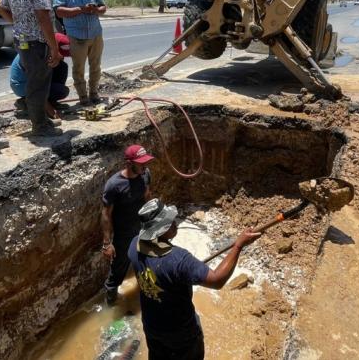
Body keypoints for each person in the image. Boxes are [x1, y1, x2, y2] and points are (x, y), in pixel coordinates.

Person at [128, 199, 260, 359]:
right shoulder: (178, 260)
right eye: (169, 222)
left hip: (152, 325)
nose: (175, 223)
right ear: (160, 231)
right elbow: (217, 280)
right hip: (181, 333)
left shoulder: (134, 245)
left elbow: (161, 272)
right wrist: (238, 246)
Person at [0, 0, 63, 136]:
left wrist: (19, 24)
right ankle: (40, 127)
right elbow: (43, 16)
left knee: (35, 82)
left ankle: (41, 121)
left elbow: (1, 8)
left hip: (22, 40)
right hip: (37, 43)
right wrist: (54, 48)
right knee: (38, 85)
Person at [101, 144, 154, 306]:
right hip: (123, 236)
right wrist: (107, 243)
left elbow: (147, 196)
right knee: (117, 272)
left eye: (146, 162)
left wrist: (154, 222)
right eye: (141, 163)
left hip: (142, 230)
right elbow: (105, 214)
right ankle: (111, 306)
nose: (145, 166)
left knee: (146, 265)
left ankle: (147, 297)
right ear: (130, 163)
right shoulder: (114, 185)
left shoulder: (145, 175)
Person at [54, 0, 107, 106]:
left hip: (95, 34)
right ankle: (83, 97)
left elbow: (103, 7)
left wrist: (96, 9)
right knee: (79, 68)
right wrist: (81, 9)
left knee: (96, 66)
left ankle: (94, 93)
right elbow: (59, 11)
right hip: (77, 37)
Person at [11, 32, 71, 119]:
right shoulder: (39, 55)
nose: (62, 57)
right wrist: (52, 112)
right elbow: (37, 86)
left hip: (29, 82)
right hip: (22, 86)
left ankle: (47, 102)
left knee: (61, 67)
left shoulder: (44, 50)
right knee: (61, 91)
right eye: (60, 55)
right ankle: (28, 103)